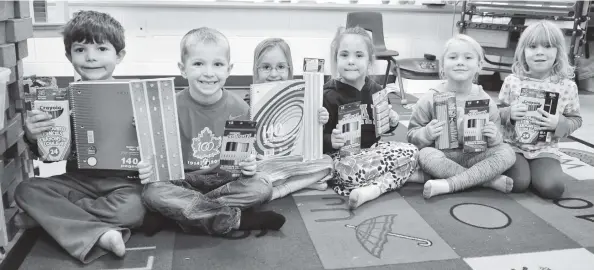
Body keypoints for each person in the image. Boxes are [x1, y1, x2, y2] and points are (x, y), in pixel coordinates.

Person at [15, 10, 145, 263]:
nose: (91, 58)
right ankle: (101, 234)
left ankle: (50, 218)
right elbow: (50, 157)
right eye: (80, 49)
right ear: (69, 55)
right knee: (26, 190)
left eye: (101, 49)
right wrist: (33, 136)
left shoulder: (135, 97)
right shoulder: (59, 100)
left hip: (123, 183)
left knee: (133, 211)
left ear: (119, 56)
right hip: (78, 180)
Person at [138, 27, 286, 236]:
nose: (209, 73)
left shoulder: (240, 109)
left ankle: (180, 213)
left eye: (217, 64)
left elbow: (240, 163)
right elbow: (159, 161)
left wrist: (248, 167)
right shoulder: (168, 108)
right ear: (183, 68)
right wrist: (149, 166)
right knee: (153, 192)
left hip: (224, 180)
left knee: (262, 186)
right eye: (198, 64)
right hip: (184, 180)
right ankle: (235, 219)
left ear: (228, 69)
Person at [408, 34, 516, 199]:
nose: (460, 62)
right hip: (442, 156)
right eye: (453, 57)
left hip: (475, 156)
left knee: (508, 153)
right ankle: (486, 181)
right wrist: (426, 133)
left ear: (479, 65)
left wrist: (494, 137)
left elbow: (497, 139)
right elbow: (411, 135)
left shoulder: (486, 100)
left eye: (468, 57)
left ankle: (449, 184)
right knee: (424, 155)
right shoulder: (430, 98)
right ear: (442, 65)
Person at [322, 26, 417, 209]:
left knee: (412, 151)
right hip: (343, 158)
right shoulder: (328, 94)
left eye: (358, 55)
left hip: (373, 151)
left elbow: (383, 130)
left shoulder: (377, 91)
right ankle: (394, 177)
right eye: (344, 55)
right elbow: (315, 138)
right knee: (345, 172)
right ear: (336, 60)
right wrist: (330, 140)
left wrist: (391, 122)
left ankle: (373, 188)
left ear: (369, 61)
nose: (351, 61)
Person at [499, 20, 582, 199]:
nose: (539, 52)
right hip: (513, 147)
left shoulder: (567, 86)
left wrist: (558, 122)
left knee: (553, 188)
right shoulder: (513, 81)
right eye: (532, 46)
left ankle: (534, 173)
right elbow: (496, 112)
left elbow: (576, 119)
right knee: (518, 183)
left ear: (558, 51)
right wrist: (509, 114)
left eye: (547, 46)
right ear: (523, 51)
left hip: (546, 149)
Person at [244, 38, 294, 104]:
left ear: (289, 70)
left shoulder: (299, 103)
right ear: (256, 71)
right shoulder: (247, 106)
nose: (274, 74)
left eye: (281, 67)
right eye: (266, 67)